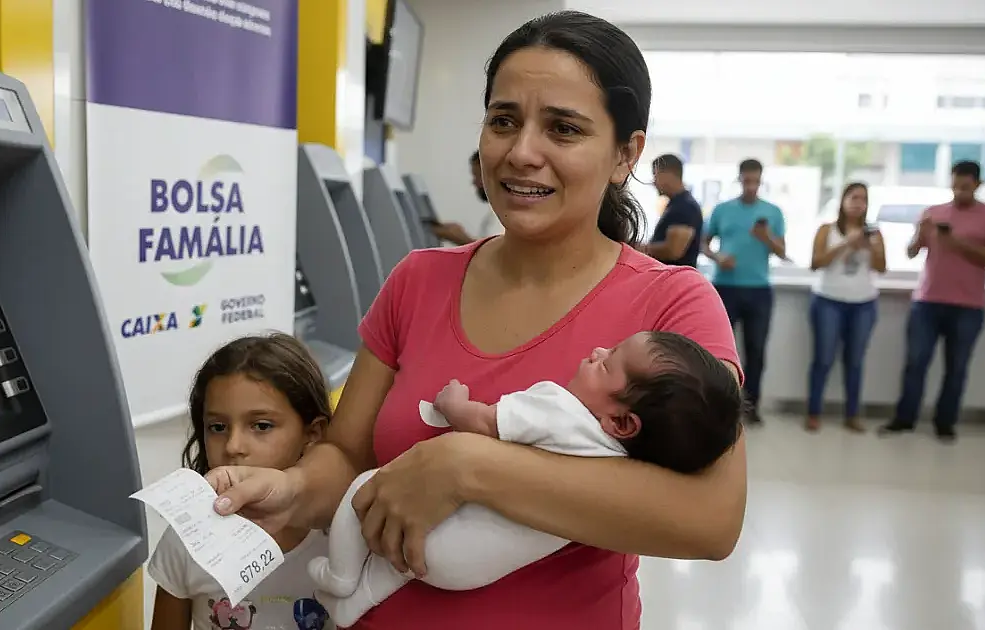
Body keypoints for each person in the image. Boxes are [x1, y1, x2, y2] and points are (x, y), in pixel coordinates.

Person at [205, 11, 747, 630]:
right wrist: (294, 492)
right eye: (503, 121)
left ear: (626, 154)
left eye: (563, 129)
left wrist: (467, 466)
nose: (521, 153)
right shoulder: (418, 280)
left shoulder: (673, 305)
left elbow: (711, 518)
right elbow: (347, 455)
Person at [309, 332, 743, 628]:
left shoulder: (561, 409)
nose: (597, 351)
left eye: (609, 364)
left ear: (624, 422)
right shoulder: (623, 461)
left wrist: (453, 401)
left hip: (438, 537)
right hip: (471, 569)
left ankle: (342, 577)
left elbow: (483, 422)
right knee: (398, 566)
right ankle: (358, 599)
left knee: (363, 491)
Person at [149, 333, 335, 630]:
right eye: (218, 427)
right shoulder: (185, 543)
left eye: (261, 426)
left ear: (313, 433)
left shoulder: (341, 537)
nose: (234, 445)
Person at [880, 161, 985, 442]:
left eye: (965, 186)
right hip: (927, 301)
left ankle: (945, 423)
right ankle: (904, 418)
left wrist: (957, 243)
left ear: (977, 184)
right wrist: (919, 232)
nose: (959, 191)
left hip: (968, 306)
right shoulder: (935, 213)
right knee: (915, 362)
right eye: (955, 185)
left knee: (957, 367)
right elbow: (912, 252)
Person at [701, 158, 787, 424]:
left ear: (761, 182)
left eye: (756, 182)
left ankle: (752, 407)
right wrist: (717, 259)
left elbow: (783, 252)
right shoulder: (722, 210)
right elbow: (703, 243)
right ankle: (717, 407)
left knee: (756, 350)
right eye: (747, 181)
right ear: (739, 180)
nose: (751, 186)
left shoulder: (773, 212)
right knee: (718, 352)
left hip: (759, 291)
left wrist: (766, 237)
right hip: (725, 288)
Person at [805, 182, 886, 433]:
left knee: (855, 361)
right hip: (828, 300)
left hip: (863, 303)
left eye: (863, 198)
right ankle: (813, 413)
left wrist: (869, 247)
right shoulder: (827, 230)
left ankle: (852, 414)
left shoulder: (874, 233)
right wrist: (845, 244)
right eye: (853, 197)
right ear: (843, 201)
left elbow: (882, 267)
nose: (858, 203)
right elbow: (816, 263)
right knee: (823, 359)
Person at [644, 154, 703, 267]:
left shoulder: (685, 206)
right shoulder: (675, 205)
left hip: (677, 280)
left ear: (668, 175)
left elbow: (674, 251)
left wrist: (634, 248)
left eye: (655, 175)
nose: (654, 182)